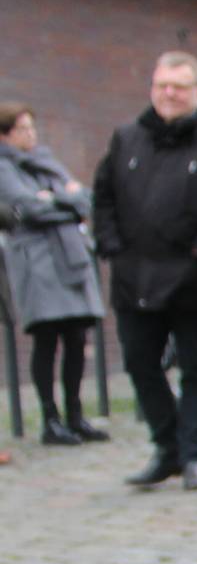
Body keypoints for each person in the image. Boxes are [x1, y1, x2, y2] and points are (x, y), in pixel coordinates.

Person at [93, 51, 197, 491]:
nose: (169, 93)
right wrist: (112, 246)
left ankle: (194, 453)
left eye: (179, 87)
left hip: (195, 277)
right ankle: (168, 446)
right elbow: (103, 196)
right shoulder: (127, 138)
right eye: (162, 84)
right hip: (135, 276)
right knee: (140, 362)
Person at [0, 102, 110, 446]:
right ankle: (51, 419)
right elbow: (28, 208)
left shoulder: (45, 163)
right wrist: (66, 202)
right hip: (37, 263)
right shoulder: (4, 167)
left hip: (69, 258)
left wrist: (56, 199)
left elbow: (86, 201)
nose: (30, 135)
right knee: (47, 339)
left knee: (77, 337)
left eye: (32, 127)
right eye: (22, 129)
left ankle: (76, 415)